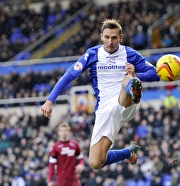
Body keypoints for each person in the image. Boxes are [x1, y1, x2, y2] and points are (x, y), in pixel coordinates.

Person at [41, 19, 160, 170]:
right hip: (105, 108)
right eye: (107, 37)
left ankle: (133, 87)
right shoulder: (93, 54)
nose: (110, 41)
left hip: (127, 100)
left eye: (114, 38)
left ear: (121, 38)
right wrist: (50, 100)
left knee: (127, 79)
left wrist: (137, 75)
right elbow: (69, 75)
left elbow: (155, 73)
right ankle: (129, 152)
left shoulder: (129, 54)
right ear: (101, 36)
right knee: (96, 162)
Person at [48, 122, 84, 186]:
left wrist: (81, 165)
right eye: (61, 131)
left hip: (74, 178)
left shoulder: (75, 144)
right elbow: (52, 165)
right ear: (58, 132)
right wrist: (50, 180)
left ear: (69, 132)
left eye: (65, 130)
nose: (63, 132)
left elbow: (81, 158)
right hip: (61, 180)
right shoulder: (55, 147)